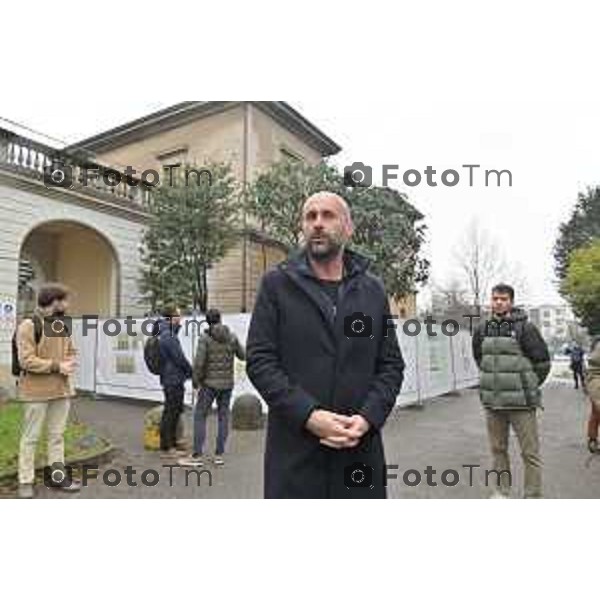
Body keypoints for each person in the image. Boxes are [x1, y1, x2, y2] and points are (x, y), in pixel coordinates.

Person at [247, 191, 405, 499]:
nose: (318, 223)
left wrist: (367, 418)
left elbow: (390, 365)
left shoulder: (372, 290)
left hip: (359, 455)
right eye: (310, 216)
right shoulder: (276, 284)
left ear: (348, 228)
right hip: (295, 458)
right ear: (302, 228)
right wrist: (308, 415)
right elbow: (260, 361)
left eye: (328, 215)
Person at [472, 284, 551, 499]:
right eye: (495, 298)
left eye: (503, 299)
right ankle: (501, 492)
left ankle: (532, 496)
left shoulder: (525, 328)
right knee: (498, 450)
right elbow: (480, 358)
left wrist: (530, 384)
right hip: (493, 403)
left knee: (529, 453)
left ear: (511, 302)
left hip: (522, 404)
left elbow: (542, 362)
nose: (498, 302)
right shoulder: (481, 329)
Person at [16, 283, 79, 499]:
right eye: (65, 300)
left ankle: (58, 478)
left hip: (61, 391)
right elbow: (25, 361)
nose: (68, 304)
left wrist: (70, 360)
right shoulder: (28, 325)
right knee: (30, 437)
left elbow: (71, 350)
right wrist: (56, 366)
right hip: (35, 392)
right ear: (54, 302)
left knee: (57, 437)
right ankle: (25, 481)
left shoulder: (62, 324)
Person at [180, 309, 246, 468]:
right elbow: (243, 355)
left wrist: (195, 382)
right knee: (223, 417)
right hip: (227, 385)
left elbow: (199, 363)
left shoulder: (205, 338)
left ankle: (196, 456)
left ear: (207, 321)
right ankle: (219, 455)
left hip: (209, 385)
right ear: (220, 319)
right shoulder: (232, 337)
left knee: (200, 416)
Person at [158, 305, 193, 460]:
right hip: (172, 378)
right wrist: (191, 372)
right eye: (178, 315)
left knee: (174, 410)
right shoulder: (168, 335)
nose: (181, 318)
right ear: (170, 318)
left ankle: (172, 442)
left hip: (172, 377)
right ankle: (168, 446)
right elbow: (179, 358)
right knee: (171, 412)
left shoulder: (168, 333)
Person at [584, 339, 600, 454]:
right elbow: (593, 366)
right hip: (597, 383)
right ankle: (593, 439)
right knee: (596, 412)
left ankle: (592, 439)